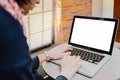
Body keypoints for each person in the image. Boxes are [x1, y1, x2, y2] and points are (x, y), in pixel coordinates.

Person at [0, 0, 82, 80]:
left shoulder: (7, 13)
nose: (38, 1)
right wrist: (66, 74)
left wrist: (47, 55)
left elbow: (19, 68)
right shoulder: (8, 28)